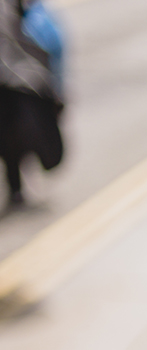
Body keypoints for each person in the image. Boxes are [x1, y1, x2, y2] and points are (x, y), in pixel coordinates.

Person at [0, 0, 65, 208]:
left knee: (13, 134)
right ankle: (16, 188)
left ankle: (16, 188)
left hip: (17, 75)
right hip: (18, 76)